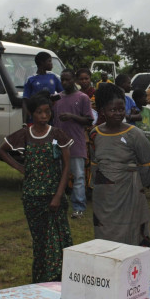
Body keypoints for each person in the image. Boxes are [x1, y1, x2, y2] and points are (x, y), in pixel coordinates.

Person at [0, 90, 73, 283]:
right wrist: (20, 167)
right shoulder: (24, 134)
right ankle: (40, 279)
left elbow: (66, 167)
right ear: (32, 114)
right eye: (39, 112)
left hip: (53, 195)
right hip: (32, 196)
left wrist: (58, 195)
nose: (44, 116)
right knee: (40, 241)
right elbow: (2, 150)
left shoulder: (57, 134)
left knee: (57, 239)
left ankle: (58, 278)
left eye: (47, 112)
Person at [89, 83, 150, 246]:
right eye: (113, 110)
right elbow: (94, 164)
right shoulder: (95, 134)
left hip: (129, 194)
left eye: (121, 109)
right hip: (104, 198)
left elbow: (147, 165)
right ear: (102, 111)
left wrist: (140, 186)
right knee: (105, 239)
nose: (118, 114)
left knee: (131, 236)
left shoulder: (135, 134)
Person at [53, 68, 94, 219]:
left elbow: (89, 120)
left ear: (74, 80)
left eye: (68, 79)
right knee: (58, 176)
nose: (64, 83)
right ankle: (59, 203)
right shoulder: (57, 98)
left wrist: (72, 116)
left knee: (78, 176)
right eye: (62, 80)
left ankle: (78, 207)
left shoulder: (82, 98)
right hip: (59, 143)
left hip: (76, 142)